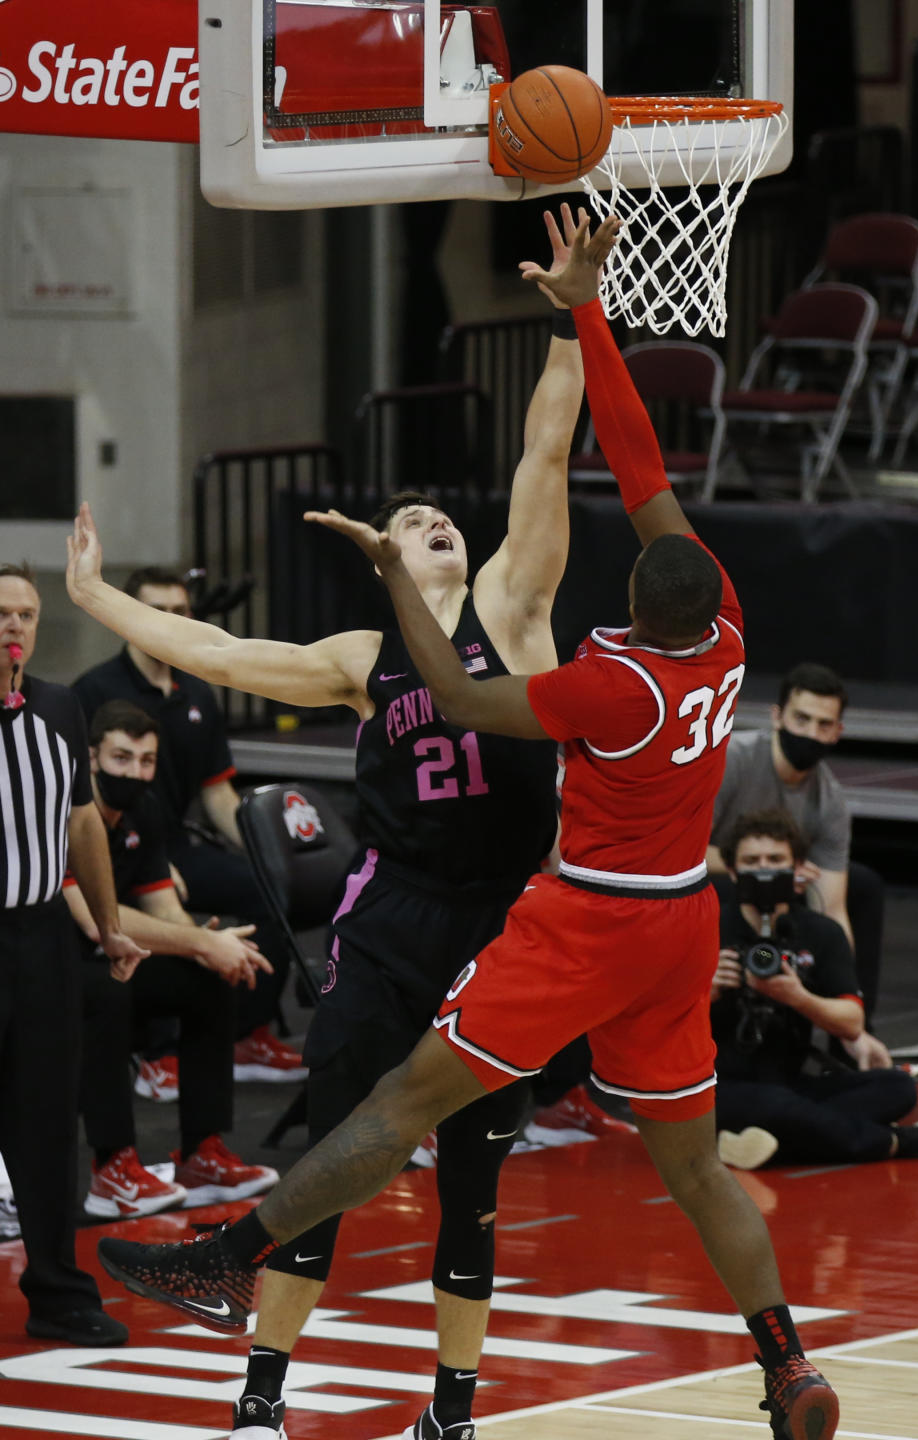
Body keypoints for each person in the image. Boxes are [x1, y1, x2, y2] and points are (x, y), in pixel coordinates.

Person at [87, 218, 841, 1440]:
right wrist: (589, 312)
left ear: (634, 614)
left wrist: (392, 566)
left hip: (573, 920)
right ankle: (788, 1365)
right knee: (693, 1167)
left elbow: (469, 678)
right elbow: (642, 467)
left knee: (396, 1116)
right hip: (661, 924)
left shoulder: (603, 678)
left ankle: (231, 1262)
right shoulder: (725, 630)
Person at [68, 204, 592, 1440]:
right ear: (384, 556)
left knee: (471, 1180)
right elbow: (216, 646)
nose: (434, 525)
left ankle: (450, 1415)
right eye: (411, 523)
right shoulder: (365, 656)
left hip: (501, 927)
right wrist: (95, 596)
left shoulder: (516, 612)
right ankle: (260, 1401)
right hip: (395, 920)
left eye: (440, 520)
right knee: (338, 1156)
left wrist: (575, 313)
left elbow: (547, 448)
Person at [72, 567, 306, 1087]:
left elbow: (217, 793)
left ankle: (247, 1036)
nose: (171, 622)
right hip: (104, 847)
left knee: (265, 890)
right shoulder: (93, 690)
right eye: (158, 610)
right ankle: (157, 1050)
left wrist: (267, 854)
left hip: (172, 842)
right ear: (130, 618)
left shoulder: (198, 690)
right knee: (149, 921)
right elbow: (79, 799)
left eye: (180, 611)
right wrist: (155, 863)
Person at [0, 562, 145, 1346]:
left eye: (26, 614)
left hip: (42, 936)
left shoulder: (59, 706)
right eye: (1, 614)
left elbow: (83, 823)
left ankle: (58, 1292)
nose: (15, 626)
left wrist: (109, 924)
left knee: (50, 1121)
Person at [69, 699, 280, 1218]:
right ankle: (112, 1170)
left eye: (146, 761)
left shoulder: (146, 809)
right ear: (92, 758)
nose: (134, 773)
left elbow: (162, 903)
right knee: (108, 990)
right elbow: (95, 920)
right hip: (54, 963)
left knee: (206, 978)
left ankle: (201, 1155)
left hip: (116, 956)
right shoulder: (68, 814)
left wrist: (204, 946)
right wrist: (202, 942)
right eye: (121, 758)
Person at [711, 809, 918, 1170]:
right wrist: (707, 991)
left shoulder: (821, 932)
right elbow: (658, 1024)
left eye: (775, 859)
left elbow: (851, 1022)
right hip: (723, 1086)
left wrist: (798, 997)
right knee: (777, 1106)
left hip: (792, 1082)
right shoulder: (705, 927)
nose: (764, 869)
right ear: (732, 871)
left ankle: (768, 1143)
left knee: (897, 1087)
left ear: (797, 867)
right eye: (752, 861)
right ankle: (897, 1142)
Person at [707, 662, 890, 1071]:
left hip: (785, 892)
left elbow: (834, 905)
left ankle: (856, 1034)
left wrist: (845, 994)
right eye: (801, 719)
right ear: (777, 717)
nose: (810, 733)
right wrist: (762, 869)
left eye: (824, 724)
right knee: (722, 892)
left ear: (837, 732)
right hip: (714, 879)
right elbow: (677, 853)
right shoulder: (731, 761)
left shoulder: (831, 802)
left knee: (863, 886)